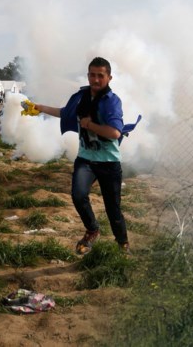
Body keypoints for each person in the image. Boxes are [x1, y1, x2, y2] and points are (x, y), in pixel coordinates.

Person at [26, 57, 129, 254]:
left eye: (101, 76)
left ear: (109, 78)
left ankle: (122, 244)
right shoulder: (81, 98)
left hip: (109, 162)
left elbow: (115, 132)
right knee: (78, 195)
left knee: (113, 208)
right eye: (92, 75)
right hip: (86, 159)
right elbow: (66, 113)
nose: (96, 80)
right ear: (88, 75)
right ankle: (92, 230)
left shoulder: (112, 101)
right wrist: (39, 108)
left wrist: (90, 125)